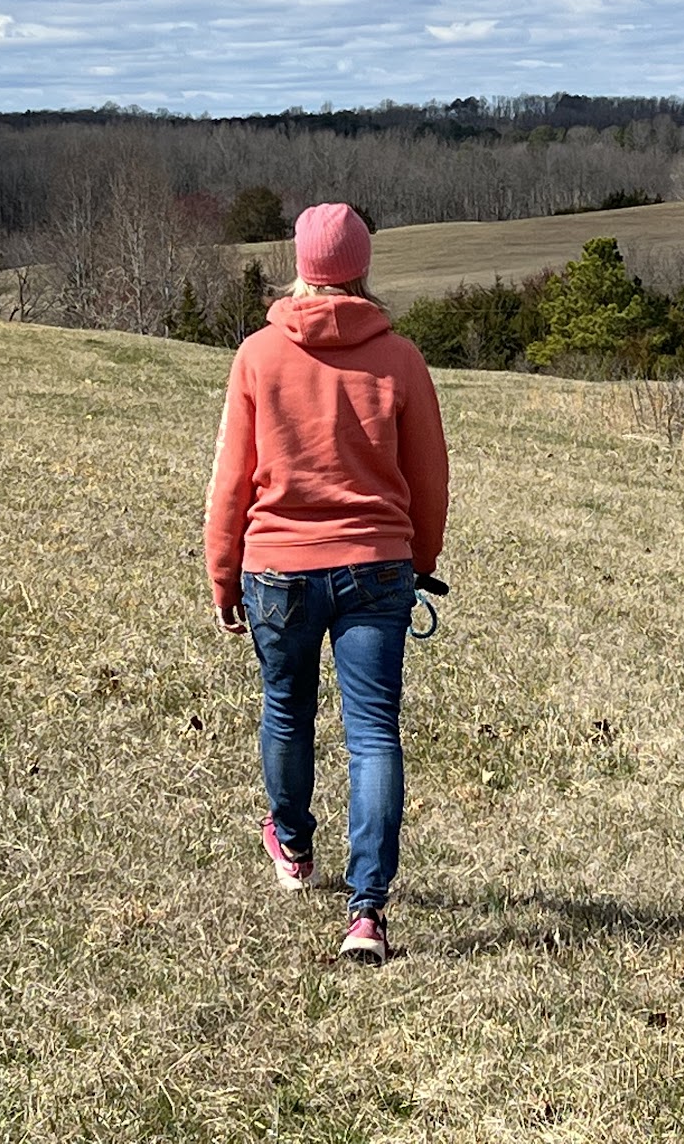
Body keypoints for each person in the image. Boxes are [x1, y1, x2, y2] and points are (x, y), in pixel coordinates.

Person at [204, 202, 449, 964]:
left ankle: (295, 843)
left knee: (287, 708)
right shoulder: (400, 358)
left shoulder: (257, 355)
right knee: (373, 734)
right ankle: (367, 914)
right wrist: (422, 563)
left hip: (277, 566)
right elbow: (430, 479)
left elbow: (231, 481)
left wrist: (222, 576)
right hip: (378, 566)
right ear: (362, 268)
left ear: (301, 268)